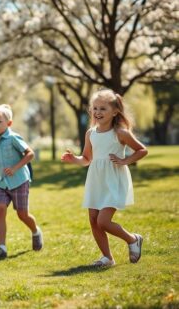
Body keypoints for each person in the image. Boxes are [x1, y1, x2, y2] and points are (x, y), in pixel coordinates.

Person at [61, 89, 147, 267]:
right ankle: (107, 258)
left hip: (113, 181)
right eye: (95, 108)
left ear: (115, 111)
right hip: (96, 180)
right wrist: (74, 159)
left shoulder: (121, 133)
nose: (97, 112)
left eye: (103, 109)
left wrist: (125, 160)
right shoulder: (90, 133)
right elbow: (87, 159)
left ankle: (132, 239)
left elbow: (142, 150)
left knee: (103, 221)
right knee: (93, 220)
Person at [0, 104, 43, 259]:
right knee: (0, 209)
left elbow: (30, 154)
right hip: (1, 183)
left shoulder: (13, 138)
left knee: (22, 214)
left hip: (19, 181)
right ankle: (1, 248)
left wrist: (15, 168)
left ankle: (36, 231)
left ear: (9, 123)